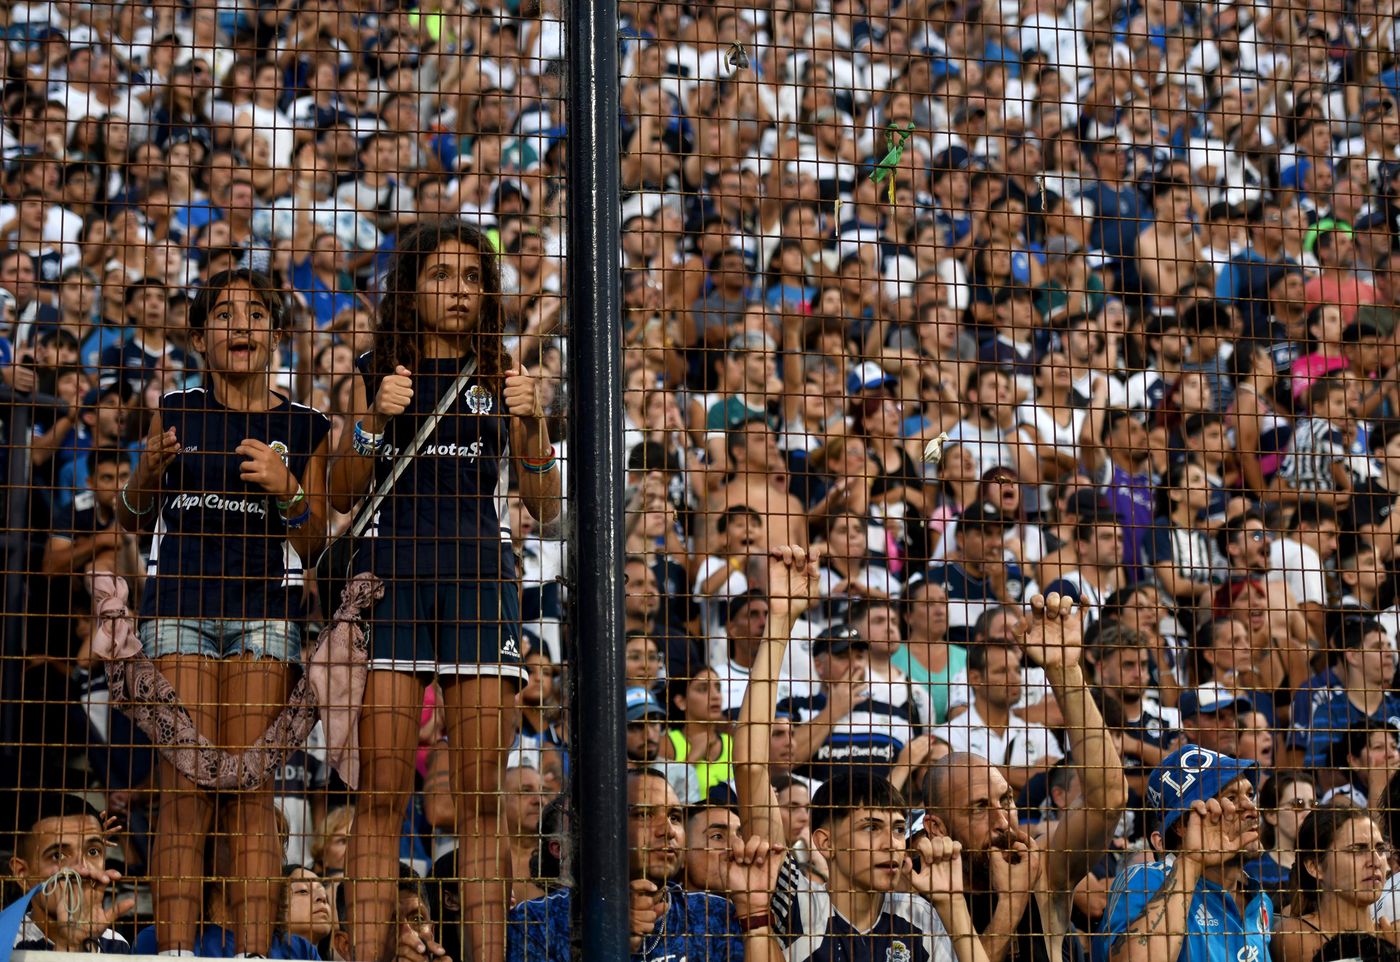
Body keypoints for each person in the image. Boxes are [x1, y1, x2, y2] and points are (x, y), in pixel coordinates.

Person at [326, 220, 561, 962]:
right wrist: (374, 418)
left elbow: (547, 503)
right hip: (391, 579)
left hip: (478, 585)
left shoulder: (504, 375)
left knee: (484, 803)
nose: (458, 291)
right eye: (440, 276)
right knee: (381, 798)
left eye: (471, 278)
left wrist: (532, 418)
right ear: (410, 287)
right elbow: (337, 490)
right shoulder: (373, 368)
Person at [114, 269, 333, 956]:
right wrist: (145, 477)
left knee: (250, 790)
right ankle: (178, 952)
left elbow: (318, 541)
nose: (240, 327)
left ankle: (253, 954)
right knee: (184, 791)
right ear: (200, 335)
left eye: (256, 314)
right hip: (178, 609)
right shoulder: (174, 408)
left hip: (264, 616)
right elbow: (131, 517)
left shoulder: (304, 425)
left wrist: (289, 487)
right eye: (224, 316)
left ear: (276, 332)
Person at [735, 544, 992, 962]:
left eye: (895, 828)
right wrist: (780, 620)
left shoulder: (922, 917)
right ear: (824, 842)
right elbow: (750, 766)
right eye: (870, 827)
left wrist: (954, 906)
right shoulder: (798, 905)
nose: (892, 844)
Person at [922, 592, 1128, 962]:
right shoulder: (916, 897)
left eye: (1006, 801)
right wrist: (1010, 907)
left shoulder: (1043, 871)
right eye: (978, 808)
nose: (1003, 821)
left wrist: (1065, 670)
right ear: (936, 827)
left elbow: (1109, 798)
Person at [507, 768, 786, 962]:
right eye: (643, 814)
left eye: (675, 817)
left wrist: (756, 912)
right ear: (606, 827)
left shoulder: (713, 915)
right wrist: (607, 941)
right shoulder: (538, 922)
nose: (667, 830)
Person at [1101, 745, 1269, 962]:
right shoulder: (1148, 880)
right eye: (1231, 799)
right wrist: (1191, 861)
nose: (1252, 810)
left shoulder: (1259, 899)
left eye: (1250, 794)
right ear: (1183, 825)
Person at [6, 794, 134, 954]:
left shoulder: (115, 943)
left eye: (93, 851)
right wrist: (69, 947)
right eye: (58, 855)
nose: (82, 869)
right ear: (22, 873)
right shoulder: (6, 943)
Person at [1271, 807, 1393, 962]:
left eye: (1380, 849)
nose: (1375, 861)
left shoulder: (1391, 934)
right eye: (1357, 849)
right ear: (1315, 867)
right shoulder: (1294, 935)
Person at [1245, 771, 1316, 899]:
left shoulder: (1325, 865)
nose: (1309, 812)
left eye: (1313, 804)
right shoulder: (1253, 871)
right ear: (1271, 815)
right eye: (1297, 804)